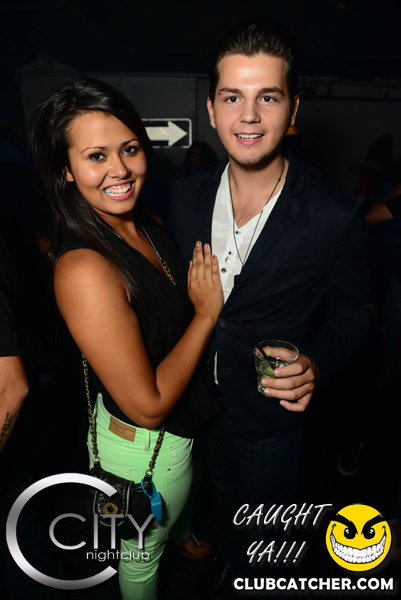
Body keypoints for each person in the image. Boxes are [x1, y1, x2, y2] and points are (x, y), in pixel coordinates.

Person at [168, 19, 375, 588]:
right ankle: (233, 560)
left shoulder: (332, 214)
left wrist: (316, 363)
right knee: (223, 499)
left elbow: (356, 312)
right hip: (198, 403)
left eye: (268, 97)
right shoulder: (183, 195)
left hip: (270, 413)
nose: (249, 116)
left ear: (293, 108)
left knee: (267, 527)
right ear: (212, 110)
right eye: (232, 97)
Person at [30, 77, 223, 600]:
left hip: (184, 423)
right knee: (139, 560)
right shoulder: (84, 269)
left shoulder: (146, 222)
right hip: (145, 452)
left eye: (130, 149)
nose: (120, 169)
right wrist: (206, 314)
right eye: (96, 156)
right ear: (66, 170)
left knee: (176, 512)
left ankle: (180, 533)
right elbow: (149, 407)